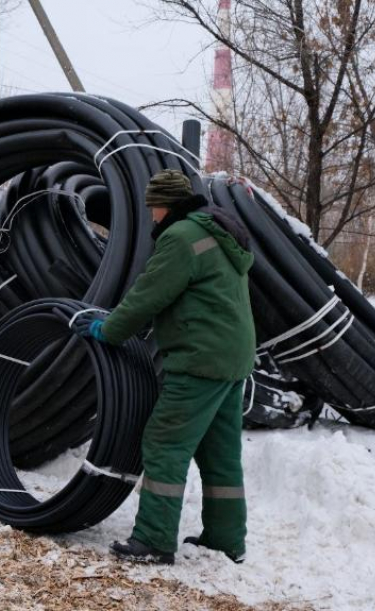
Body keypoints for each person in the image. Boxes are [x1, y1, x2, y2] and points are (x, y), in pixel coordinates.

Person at [73, 170, 256, 565]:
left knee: (164, 442)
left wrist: (109, 330)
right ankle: (227, 539)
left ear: (162, 204)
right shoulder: (217, 233)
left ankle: (154, 540)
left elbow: (146, 295)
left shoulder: (181, 238)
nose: (152, 216)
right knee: (219, 452)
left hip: (199, 359)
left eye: (153, 207)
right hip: (232, 358)